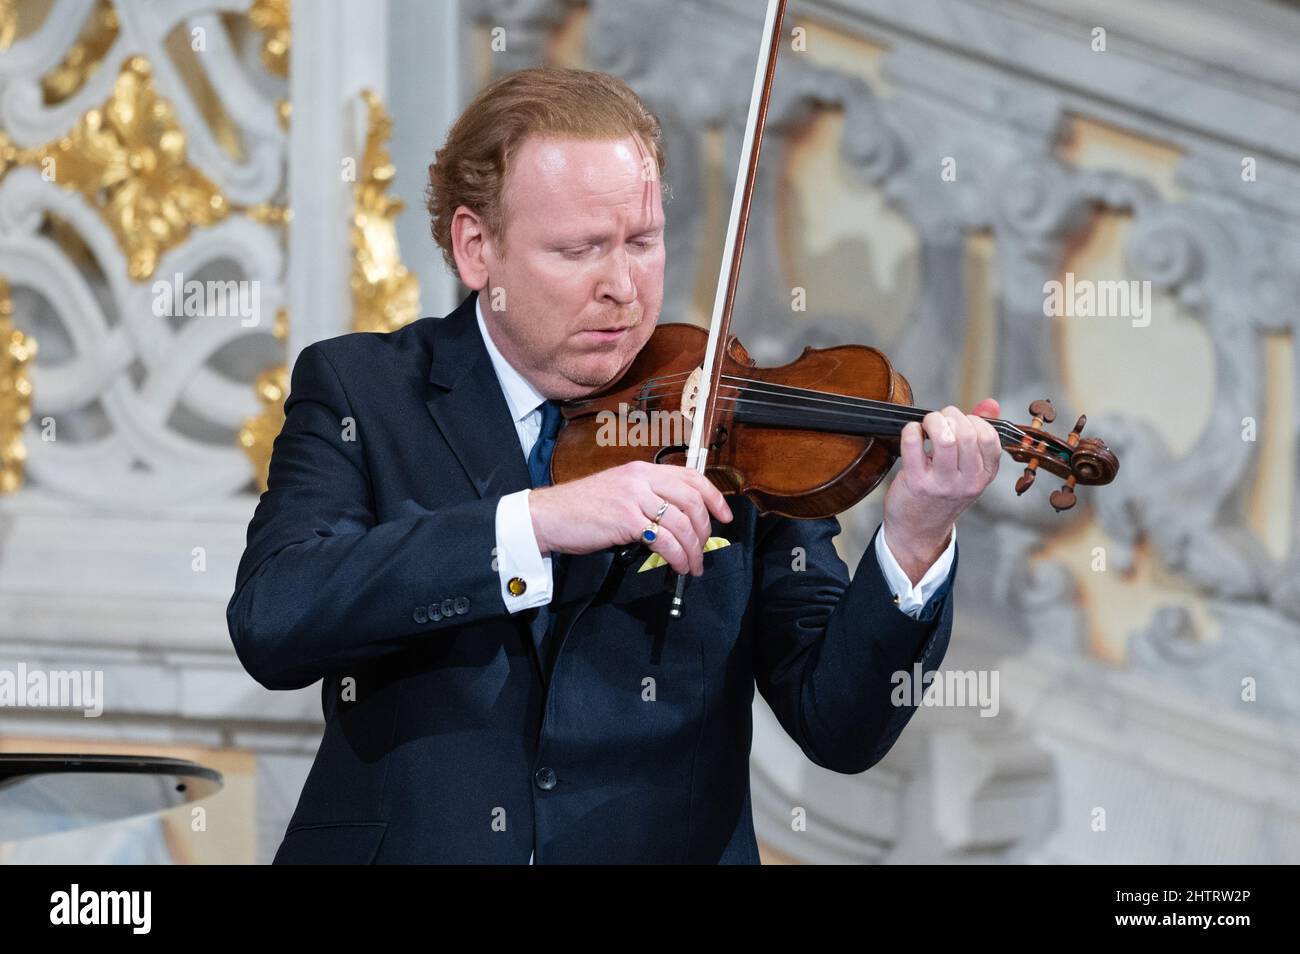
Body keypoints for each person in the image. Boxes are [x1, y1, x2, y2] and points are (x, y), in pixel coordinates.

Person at [227, 67, 1002, 864]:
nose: (624, 289)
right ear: (476, 247)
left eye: (643, 241)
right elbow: (276, 619)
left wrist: (914, 540)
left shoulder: (732, 427)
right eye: (579, 250)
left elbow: (839, 724)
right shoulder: (365, 390)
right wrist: (534, 524)